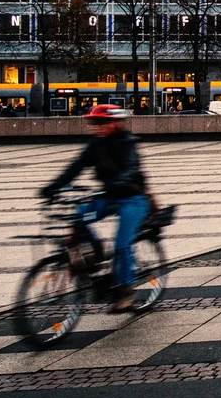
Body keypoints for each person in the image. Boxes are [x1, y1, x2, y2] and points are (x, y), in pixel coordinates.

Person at [39, 105, 150, 313]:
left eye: (102, 123)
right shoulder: (95, 145)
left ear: (116, 123)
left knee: (122, 244)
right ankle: (97, 249)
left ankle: (126, 293)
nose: (97, 127)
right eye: (94, 123)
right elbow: (75, 167)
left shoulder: (127, 143)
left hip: (132, 198)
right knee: (78, 217)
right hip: (108, 196)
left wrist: (118, 182)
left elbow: (131, 168)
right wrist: (53, 186)